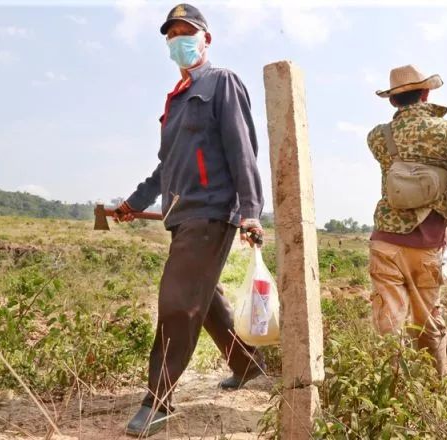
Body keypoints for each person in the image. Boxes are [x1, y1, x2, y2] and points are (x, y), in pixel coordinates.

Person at [113, 4, 265, 436]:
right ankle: (247, 365)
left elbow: (242, 151)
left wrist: (251, 210)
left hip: (213, 211)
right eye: (172, 33)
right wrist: (132, 202)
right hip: (183, 216)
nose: (179, 39)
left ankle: (158, 399)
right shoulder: (176, 101)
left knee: (178, 301)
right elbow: (165, 169)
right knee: (203, 297)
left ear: (206, 39)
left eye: (187, 31)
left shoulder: (222, 83)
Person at [367, 64, 447, 376]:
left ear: (392, 101)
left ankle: (390, 392)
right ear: (427, 92)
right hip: (429, 244)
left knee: (388, 323)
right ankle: (432, 391)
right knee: (427, 322)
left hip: (385, 241)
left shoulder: (378, 136)